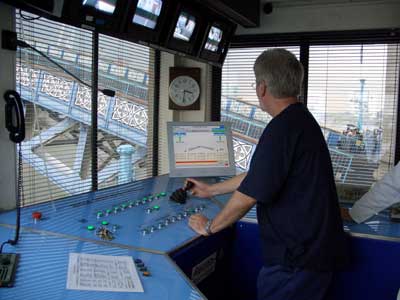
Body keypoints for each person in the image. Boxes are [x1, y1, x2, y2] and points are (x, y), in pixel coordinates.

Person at [185, 48, 349, 300]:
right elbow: (261, 174)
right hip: (313, 254)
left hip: (296, 262)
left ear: (262, 87)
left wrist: (209, 226)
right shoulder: (300, 120)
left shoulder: (281, 129)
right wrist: (211, 190)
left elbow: (248, 196)